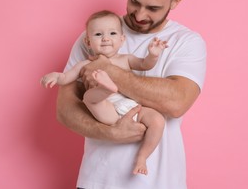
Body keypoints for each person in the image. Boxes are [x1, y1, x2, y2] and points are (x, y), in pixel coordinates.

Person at [56, 0, 207, 188]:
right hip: (97, 181)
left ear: (175, 1)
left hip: (160, 183)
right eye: (134, 1)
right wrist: (111, 133)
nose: (139, 15)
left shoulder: (186, 42)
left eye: (153, 8)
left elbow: (177, 102)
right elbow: (65, 110)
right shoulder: (96, 35)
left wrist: (109, 71)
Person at [41, 10, 167, 175]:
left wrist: (153, 55)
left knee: (157, 121)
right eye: (98, 34)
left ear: (122, 40)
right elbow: (66, 78)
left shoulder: (125, 59)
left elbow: (145, 64)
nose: (105, 38)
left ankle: (142, 157)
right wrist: (55, 76)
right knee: (89, 99)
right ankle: (106, 89)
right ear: (87, 41)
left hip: (130, 105)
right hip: (106, 107)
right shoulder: (85, 64)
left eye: (112, 33)